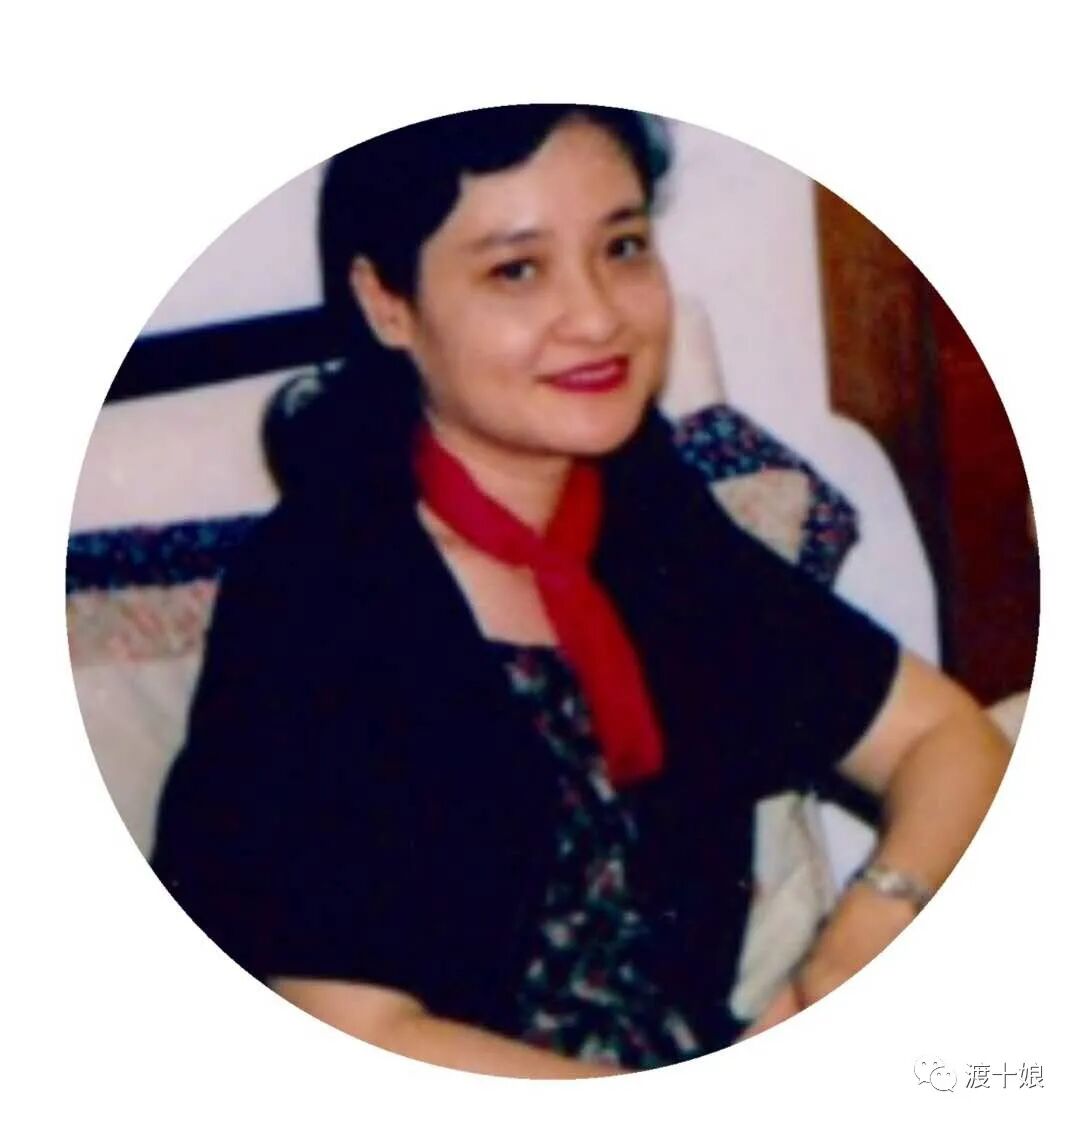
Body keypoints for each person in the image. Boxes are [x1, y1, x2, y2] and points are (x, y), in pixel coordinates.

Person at [151, 104, 1010, 1078]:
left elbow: (949, 738)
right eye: (517, 270)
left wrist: (863, 930)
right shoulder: (317, 593)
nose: (599, 314)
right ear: (387, 302)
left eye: (623, 247)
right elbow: (352, 1024)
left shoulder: (646, 513)